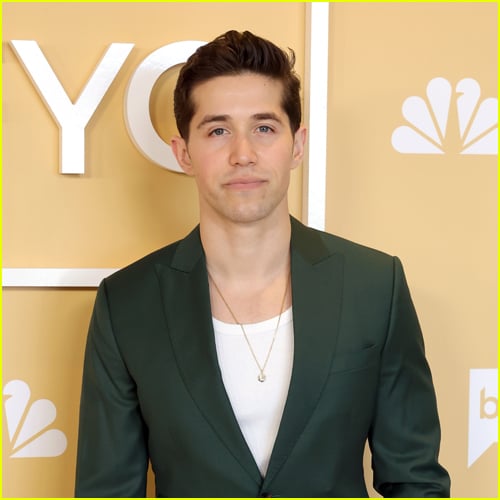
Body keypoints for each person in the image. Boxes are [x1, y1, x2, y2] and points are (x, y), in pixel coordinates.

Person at [75, 30, 450, 497]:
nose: (243, 154)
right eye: (218, 131)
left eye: (264, 128)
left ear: (297, 145)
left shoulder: (374, 286)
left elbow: (416, 481)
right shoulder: (126, 304)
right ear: (184, 153)